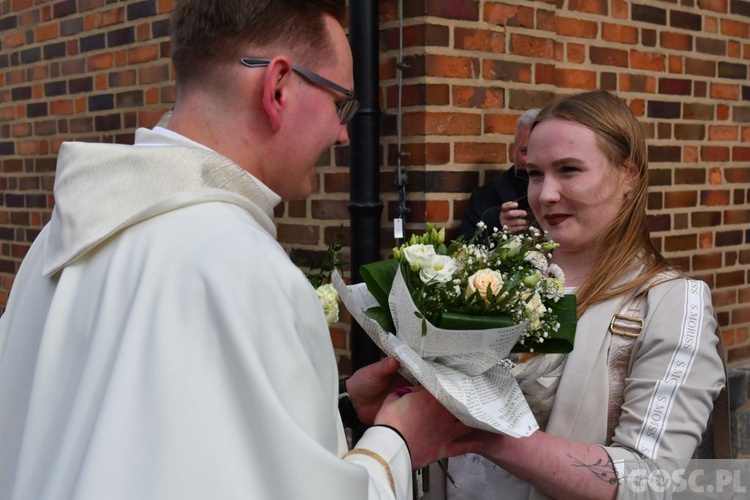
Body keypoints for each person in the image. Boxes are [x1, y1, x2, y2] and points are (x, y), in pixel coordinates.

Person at [0, 1, 481, 499]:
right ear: (277, 88)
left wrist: (335, 406)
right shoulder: (238, 264)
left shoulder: (66, 235)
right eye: (340, 103)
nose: (342, 133)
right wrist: (399, 440)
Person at [447, 90, 725, 499]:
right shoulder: (497, 278)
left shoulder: (668, 303)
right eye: (535, 174)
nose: (545, 195)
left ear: (629, 174)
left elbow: (650, 480)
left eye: (570, 170)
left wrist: (482, 437)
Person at [461, 108, 540, 239]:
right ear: (513, 150)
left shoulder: (564, 193)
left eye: (540, 151)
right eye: (526, 151)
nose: (532, 160)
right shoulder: (484, 198)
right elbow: (465, 253)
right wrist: (498, 231)